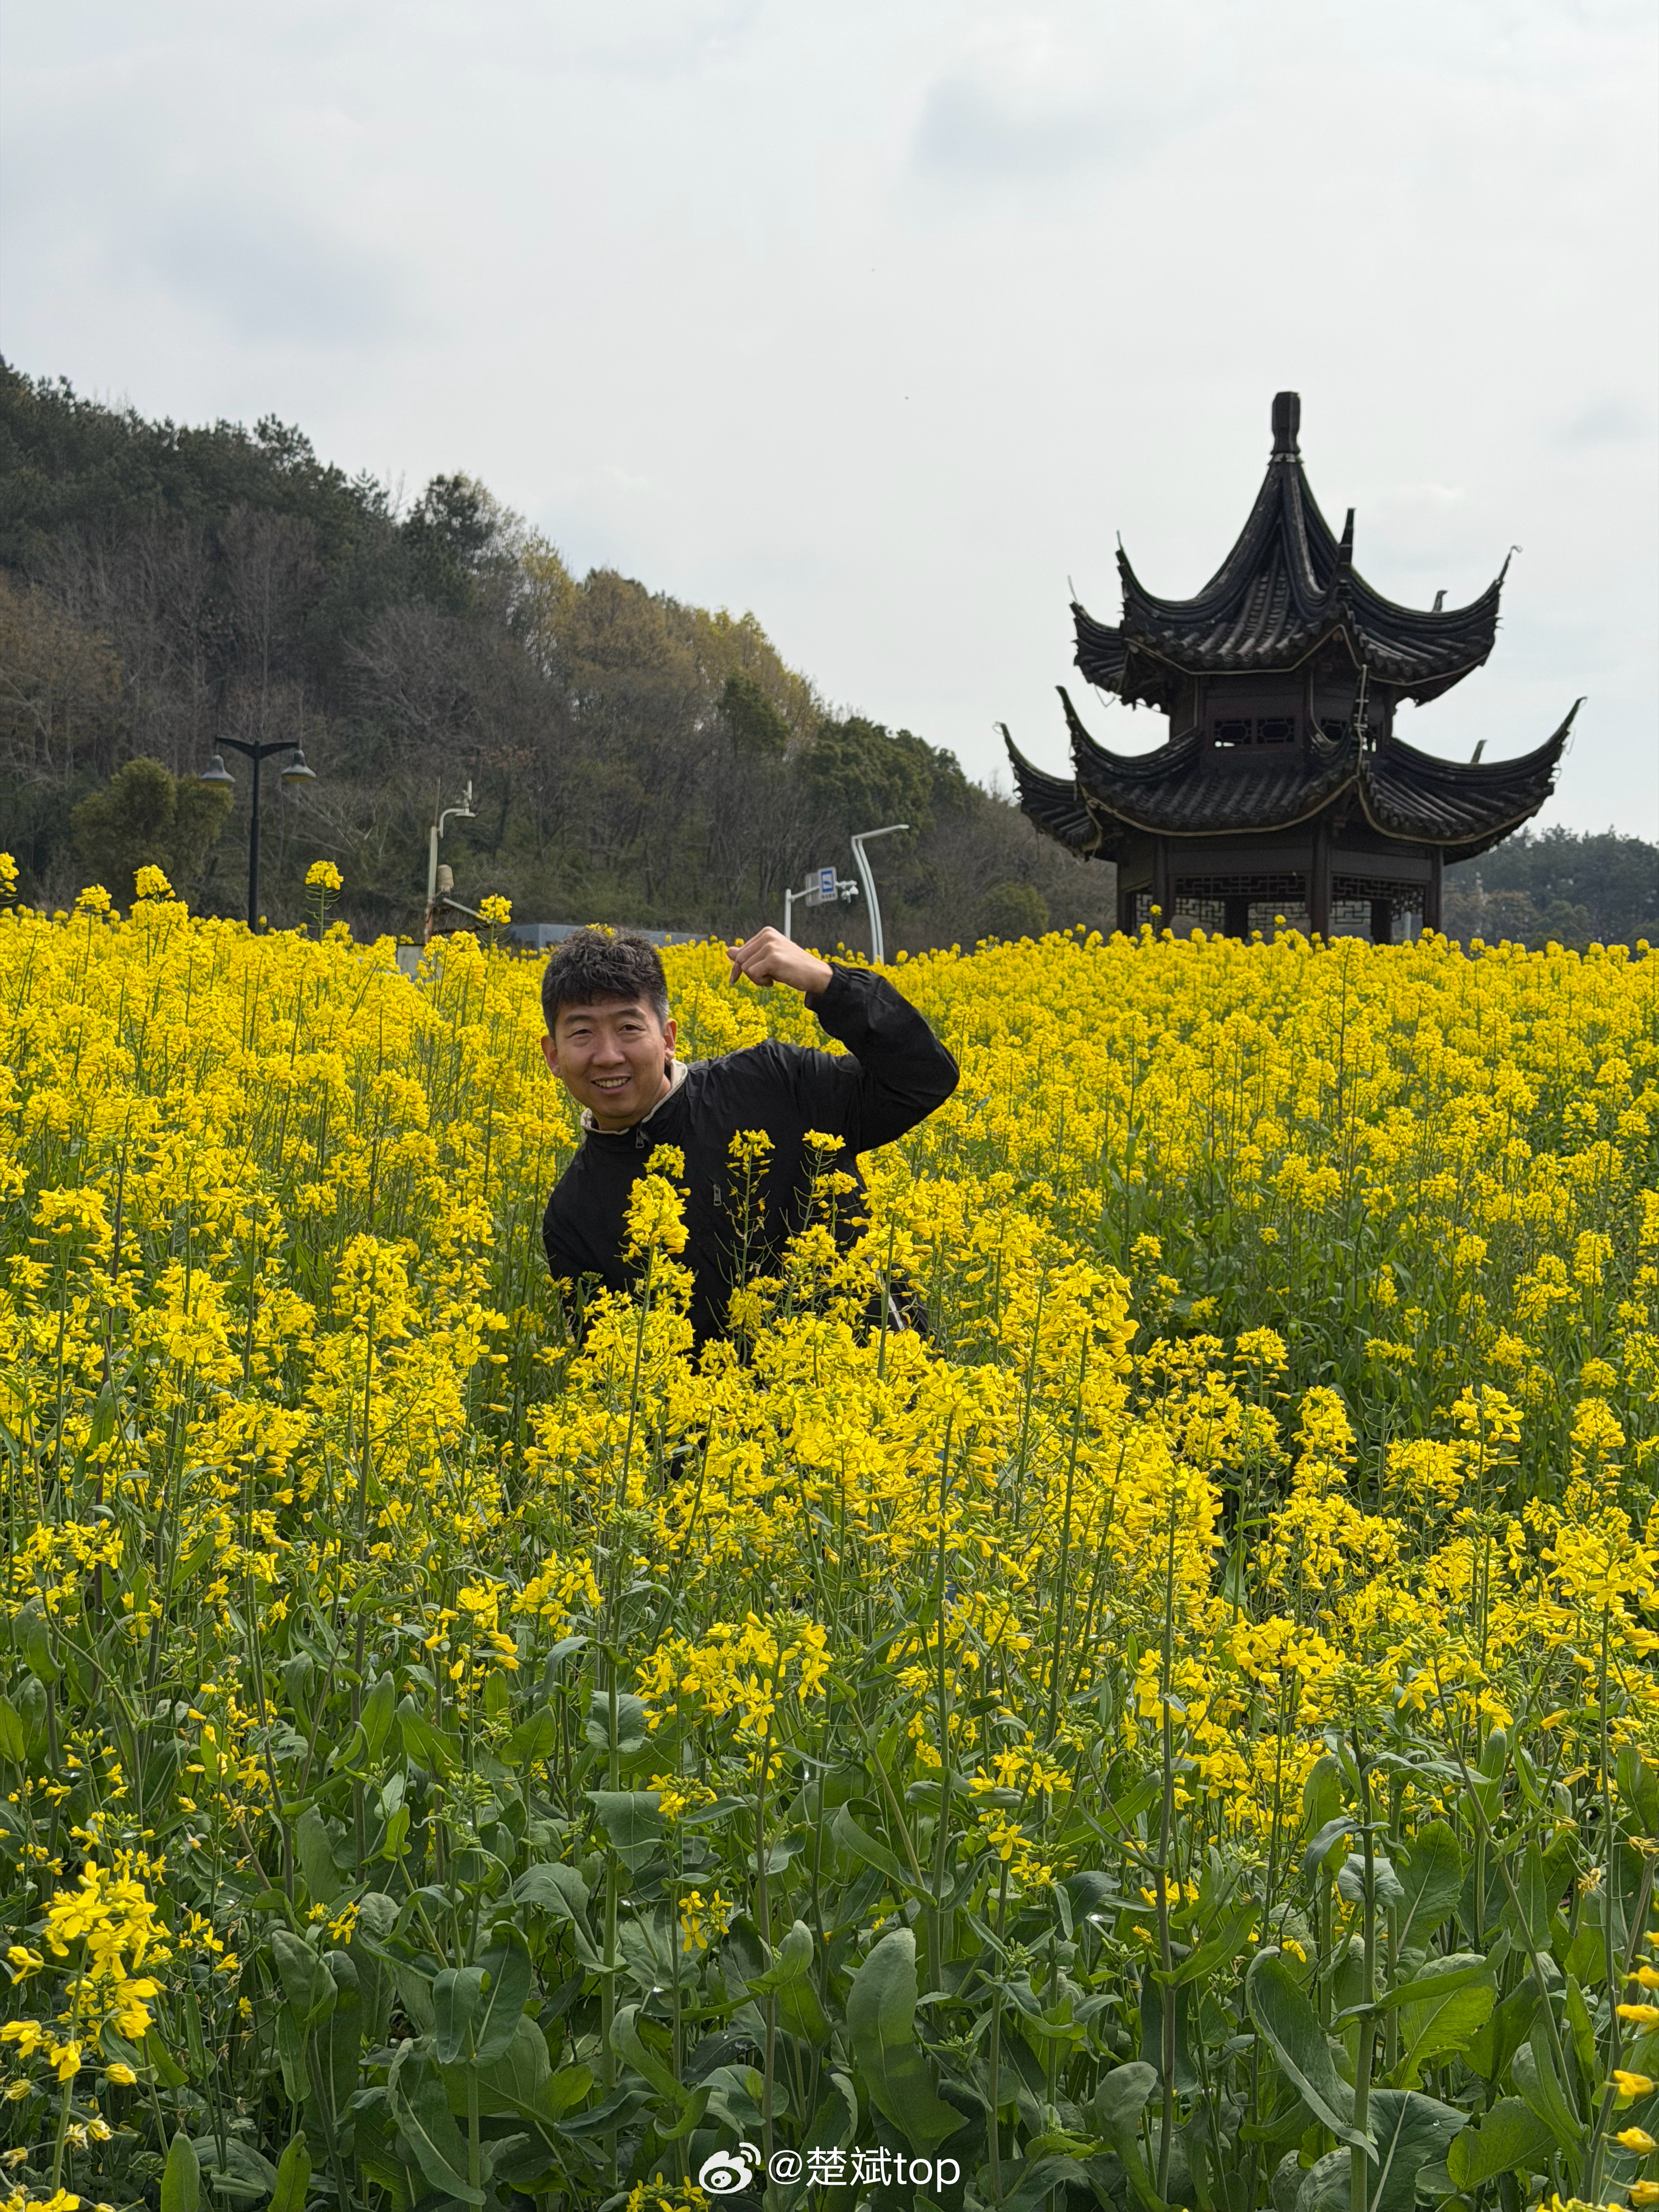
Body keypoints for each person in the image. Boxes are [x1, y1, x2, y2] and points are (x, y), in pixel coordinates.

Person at [539, 924, 958, 1344]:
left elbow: (924, 1080)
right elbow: (614, 1368)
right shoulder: (574, 1215)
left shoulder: (771, 1082)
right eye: (582, 1033)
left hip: (889, 1388)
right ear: (554, 1056)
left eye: (629, 1028)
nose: (609, 1055)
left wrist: (829, 984)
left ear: (668, 1039)